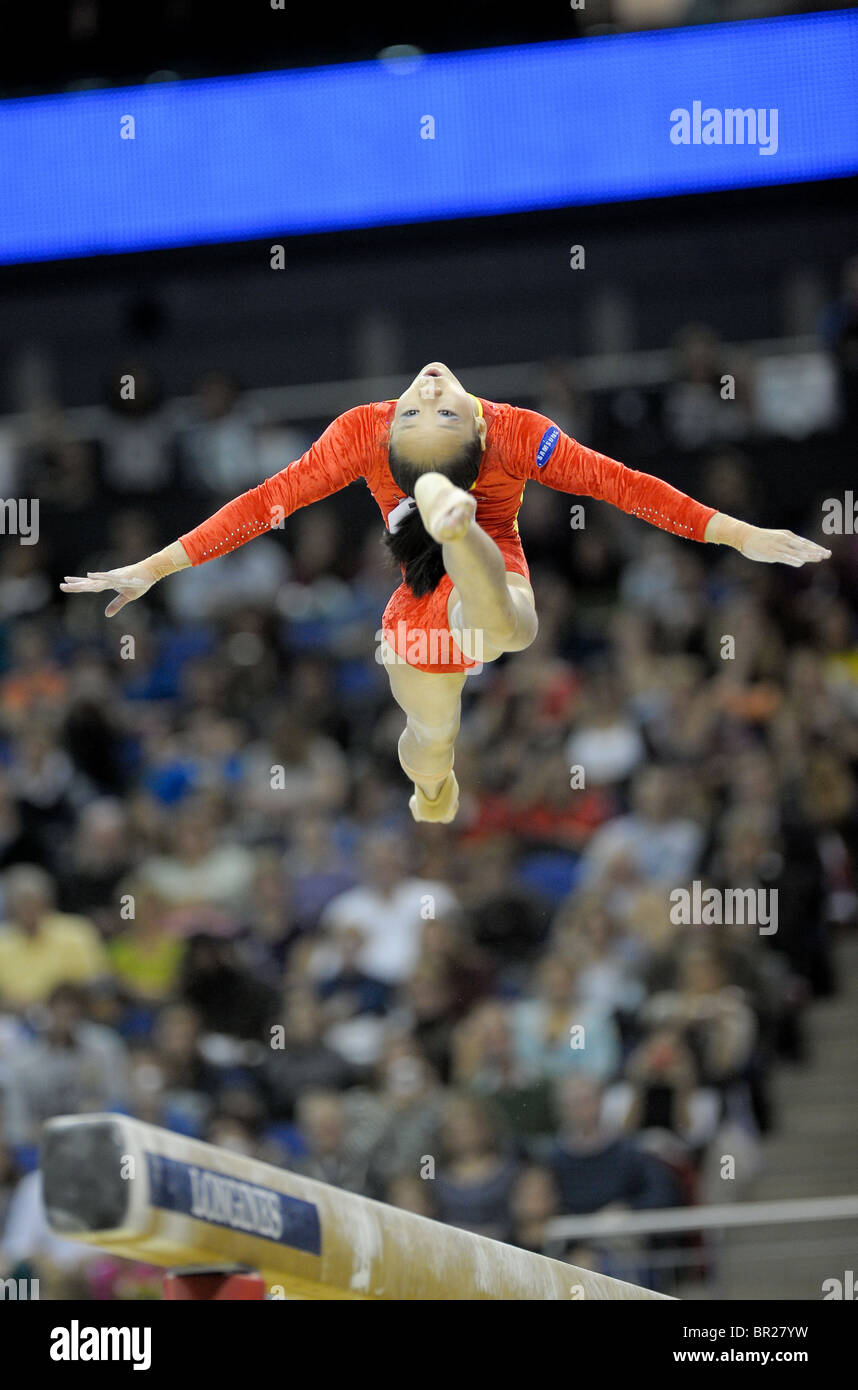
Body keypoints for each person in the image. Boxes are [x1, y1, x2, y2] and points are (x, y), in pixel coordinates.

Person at [60, 362, 830, 823]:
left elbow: (624, 486)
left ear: (475, 440)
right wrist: (153, 566)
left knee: (499, 621)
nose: (428, 388)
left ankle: (456, 525)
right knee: (430, 754)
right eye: (425, 410)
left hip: (488, 585)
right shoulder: (371, 430)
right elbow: (265, 504)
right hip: (415, 606)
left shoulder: (515, 433)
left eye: (432, 409)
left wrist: (736, 534)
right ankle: (437, 769)